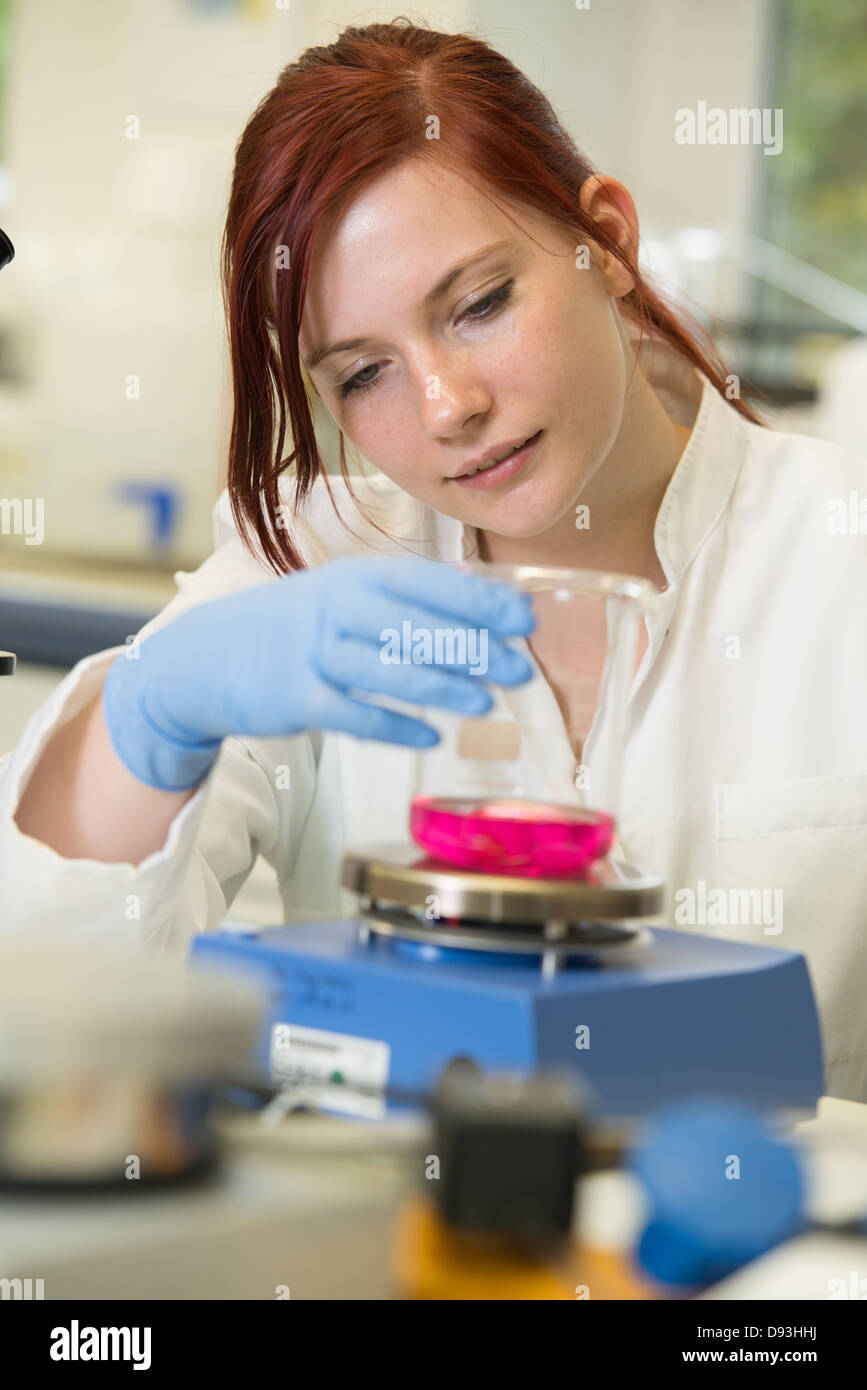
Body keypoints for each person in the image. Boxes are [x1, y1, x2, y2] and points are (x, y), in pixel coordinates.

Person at [2, 19, 865, 1101]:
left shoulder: (844, 554)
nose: (448, 406)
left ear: (607, 242)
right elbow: (50, 1017)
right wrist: (149, 717)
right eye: (364, 373)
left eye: (480, 304)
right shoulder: (309, 570)